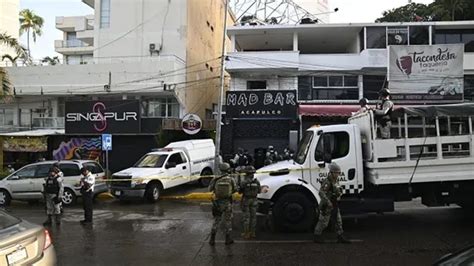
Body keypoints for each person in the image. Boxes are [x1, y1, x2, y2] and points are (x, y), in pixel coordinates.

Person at [313, 162, 350, 244]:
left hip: (334, 203)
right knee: (323, 222)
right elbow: (321, 192)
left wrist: (339, 194)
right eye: (337, 173)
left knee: (338, 220)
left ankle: (340, 236)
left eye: (339, 173)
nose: (338, 174)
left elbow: (337, 190)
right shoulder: (327, 182)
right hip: (327, 205)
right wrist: (328, 201)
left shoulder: (335, 181)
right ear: (332, 172)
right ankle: (317, 235)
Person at [208, 163, 237, 246]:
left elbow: (209, 189)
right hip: (227, 203)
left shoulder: (216, 179)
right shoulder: (231, 179)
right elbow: (235, 189)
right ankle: (228, 239)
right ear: (228, 169)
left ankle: (212, 239)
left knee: (216, 221)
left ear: (220, 170)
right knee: (228, 221)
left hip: (217, 203)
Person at [239, 166, 260, 240]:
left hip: (246, 200)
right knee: (253, 217)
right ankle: (253, 233)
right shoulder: (256, 181)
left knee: (246, 217)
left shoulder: (244, 182)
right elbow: (259, 191)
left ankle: (246, 233)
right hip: (254, 200)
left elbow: (240, 191)